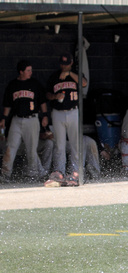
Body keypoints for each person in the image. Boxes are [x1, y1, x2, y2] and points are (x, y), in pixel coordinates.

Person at [0, 59, 50, 182]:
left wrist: (44, 115)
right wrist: (4, 119)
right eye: (28, 70)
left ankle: (32, 174)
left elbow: (42, 101)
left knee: (31, 148)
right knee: (10, 147)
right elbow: (8, 105)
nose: (30, 72)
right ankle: (5, 174)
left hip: (32, 119)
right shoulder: (13, 85)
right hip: (17, 120)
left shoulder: (35, 84)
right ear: (21, 72)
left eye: (30, 70)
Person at [45, 53, 87, 184]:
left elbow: (84, 83)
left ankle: (76, 171)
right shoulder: (54, 76)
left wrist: (69, 74)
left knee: (75, 143)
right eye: (62, 64)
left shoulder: (75, 74)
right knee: (59, 144)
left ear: (71, 63)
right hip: (58, 112)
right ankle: (59, 171)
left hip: (73, 111)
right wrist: (54, 96)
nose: (64, 66)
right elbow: (47, 94)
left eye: (66, 64)